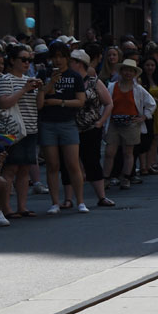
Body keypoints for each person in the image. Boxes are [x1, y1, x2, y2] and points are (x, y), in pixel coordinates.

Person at [35, 41, 89, 215]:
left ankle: (80, 201)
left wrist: (59, 102)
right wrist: (50, 84)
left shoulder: (75, 76)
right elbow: (39, 103)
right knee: (52, 164)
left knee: (73, 164)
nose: (58, 60)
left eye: (61, 57)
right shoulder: (43, 74)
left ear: (67, 58)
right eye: (54, 57)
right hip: (47, 123)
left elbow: (80, 101)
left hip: (68, 123)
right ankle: (55, 202)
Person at [63, 49, 114, 209]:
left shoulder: (93, 82)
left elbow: (108, 103)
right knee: (68, 163)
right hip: (69, 127)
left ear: (80, 63)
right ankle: (68, 199)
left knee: (92, 161)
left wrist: (101, 121)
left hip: (90, 127)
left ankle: (101, 196)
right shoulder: (66, 81)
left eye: (71, 61)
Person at [0, 45, 42, 218]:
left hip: (30, 128)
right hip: (10, 129)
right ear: (12, 60)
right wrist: (24, 90)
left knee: (25, 169)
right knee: (10, 169)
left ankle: (22, 207)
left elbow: (38, 106)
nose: (27, 63)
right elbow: (3, 103)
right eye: (23, 59)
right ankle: (6, 208)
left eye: (29, 60)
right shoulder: (5, 79)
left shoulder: (30, 79)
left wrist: (42, 89)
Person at [105, 58, 155, 191]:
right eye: (126, 70)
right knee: (109, 152)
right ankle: (106, 178)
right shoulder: (112, 87)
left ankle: (126, 177)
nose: (128, 73)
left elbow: (151, 103)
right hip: (114, 122)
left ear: (134, 73)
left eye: (131, 71)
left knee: (128, 152)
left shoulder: (138, 89)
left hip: (131, 123)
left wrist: (144, 116)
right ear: (121, 71)